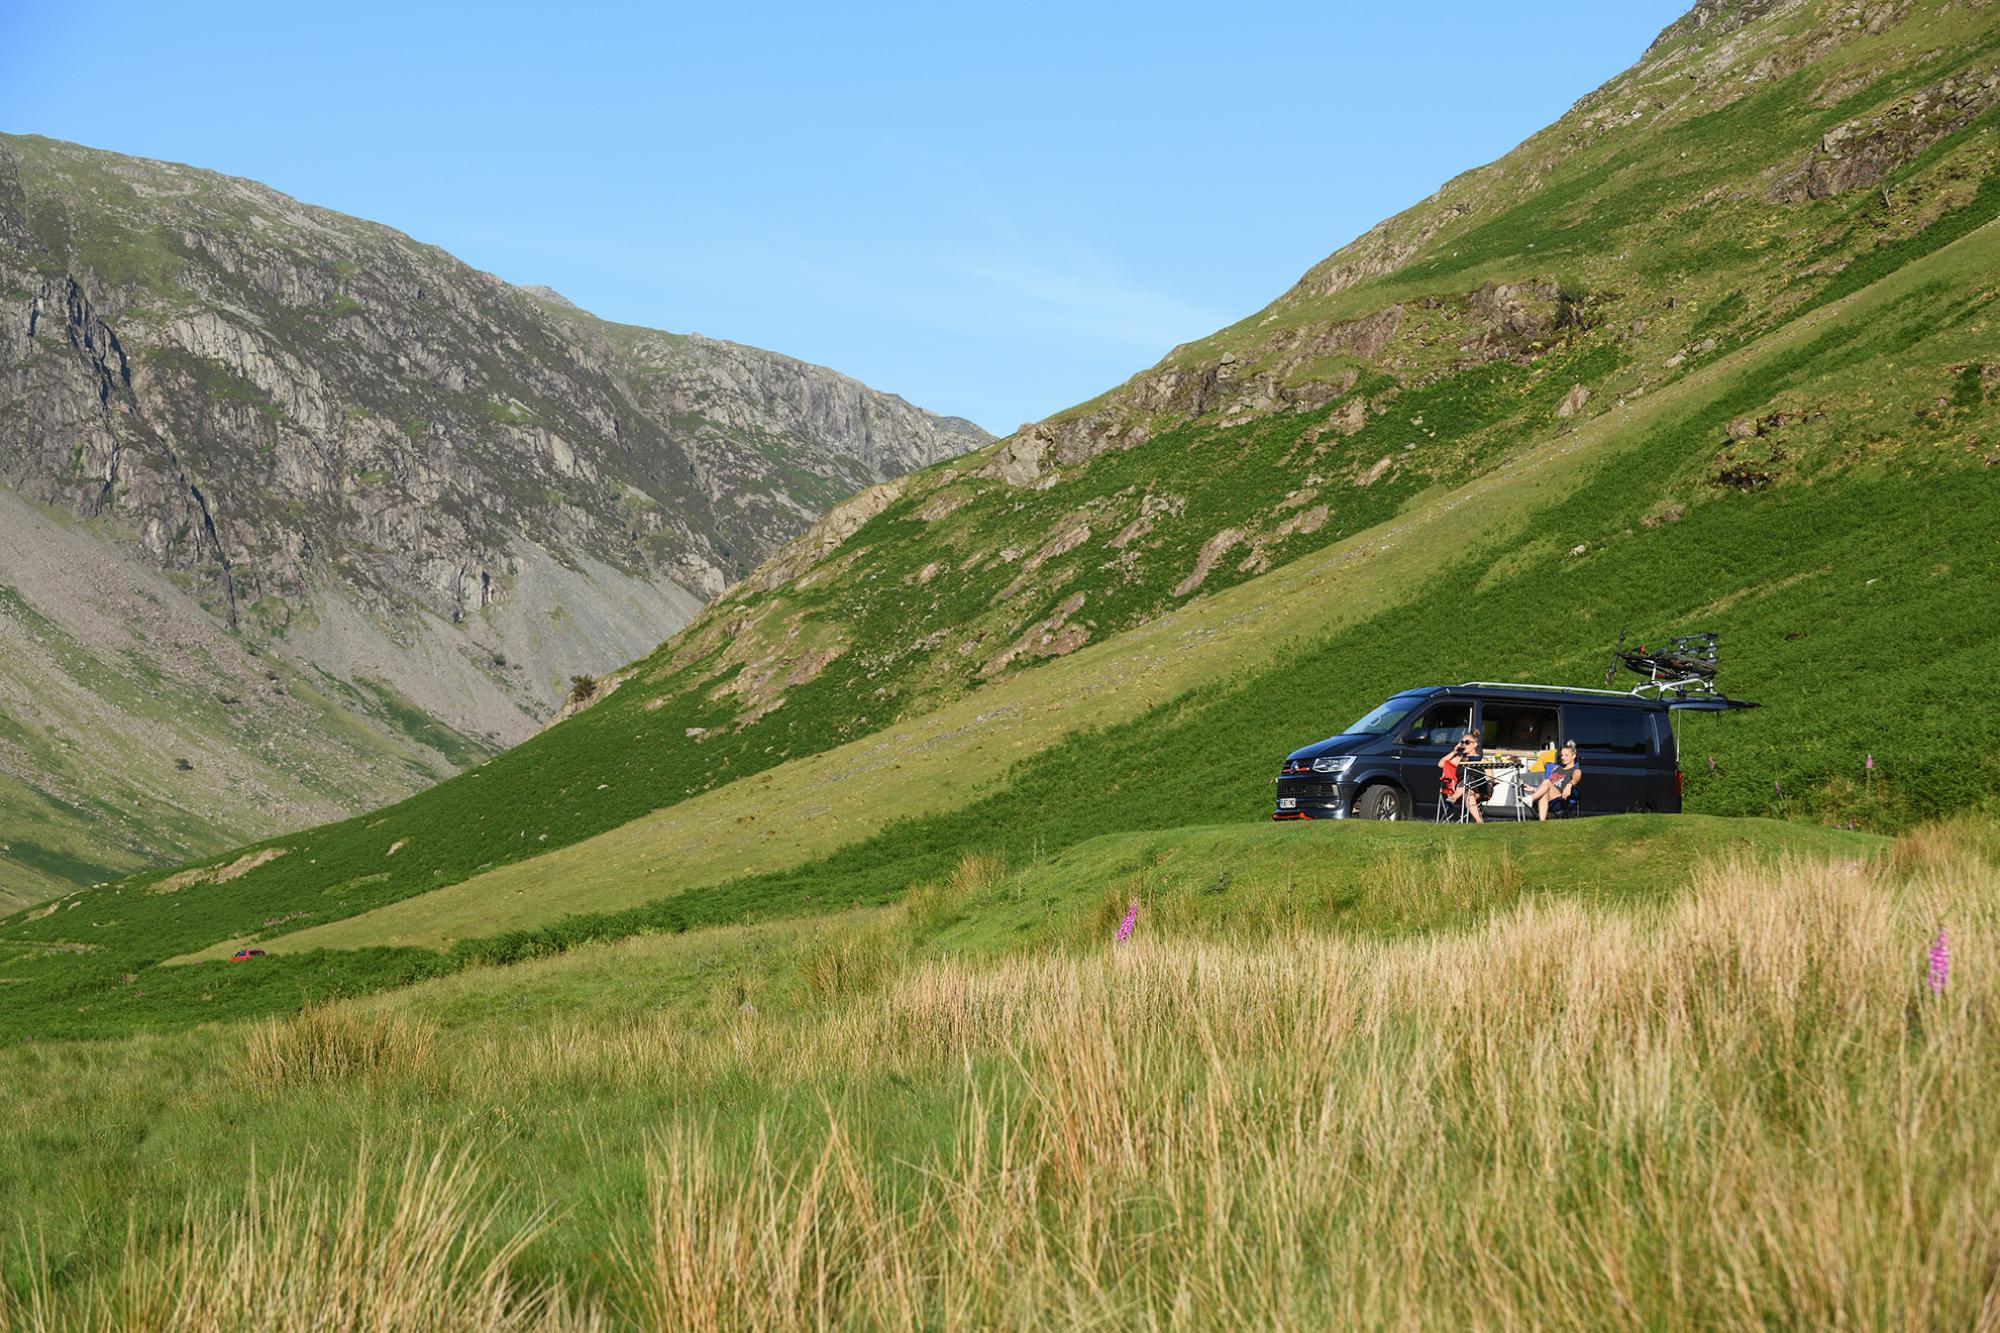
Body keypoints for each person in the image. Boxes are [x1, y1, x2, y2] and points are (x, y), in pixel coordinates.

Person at [1525, 740, 1583, 821]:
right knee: (1544, 792)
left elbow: (1576, 778)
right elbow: (1547, 787)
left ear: (1573, 756)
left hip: (1560, 799)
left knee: (1547, 781)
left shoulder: (1575, 771)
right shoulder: (1556, 768)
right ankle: (1542, 823)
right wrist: (1533, 788)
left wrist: (1570, 784)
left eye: (1566, 755)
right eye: (1562, 755)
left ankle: (1531, 799)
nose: (1563, 757)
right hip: (1549, 796)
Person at [1439, 730, 1489, 824]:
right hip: (1466, 790)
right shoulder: (1459, 759)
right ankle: (1479, 821)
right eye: (1462, 742)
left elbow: (1491, 778)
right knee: (1469, 792)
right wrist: (1454, 752)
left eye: (1467, 742)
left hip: (1481, 789)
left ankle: (1453, 798)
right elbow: (1441, 763)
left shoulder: (1483, 760)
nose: (1464, 745)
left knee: (1469, 779)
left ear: (1475, 745)